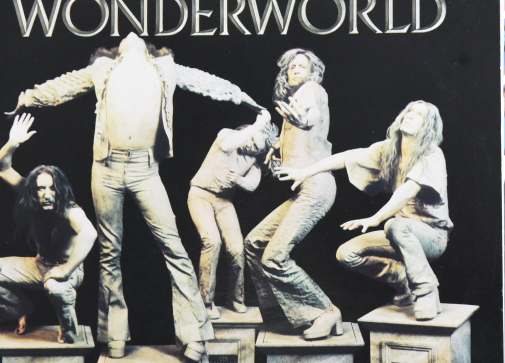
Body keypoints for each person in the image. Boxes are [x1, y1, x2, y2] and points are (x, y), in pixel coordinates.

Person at [6, 32, 262, 361]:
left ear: (151, 50)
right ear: (114, 52)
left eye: (138, 37)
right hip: (106, 167)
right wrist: (29, 97)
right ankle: (114, 337)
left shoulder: (165, 68)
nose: (130, 36)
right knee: (109, 251)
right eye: (122, 41)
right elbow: (64, 85)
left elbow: (206, 82)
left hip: (145, 169)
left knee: (173, 247)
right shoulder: (102, 68)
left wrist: (243, 98)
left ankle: (194, 335)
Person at [276, 101, 452, 320]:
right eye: (409, 111)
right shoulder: (389, 149)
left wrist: (375, 218)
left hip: (432, 236)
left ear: (428, 127)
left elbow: (408, 190)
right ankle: (403, 282)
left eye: (419, 115)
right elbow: (346, 157)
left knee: (395, 224)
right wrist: (305, 172)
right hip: (398, 233)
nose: (410, 116)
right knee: (346, 254)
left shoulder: (432, 154)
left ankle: (426, 291)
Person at [0, 114, 97, 343]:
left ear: (60, 190)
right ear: (33, 191)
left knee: (56, 287)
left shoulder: (70, 210)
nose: (47, 194)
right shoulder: (29, 195)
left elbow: (89, 233)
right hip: (39, 266)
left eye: (52, 188)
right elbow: (0, 168)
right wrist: (13, 143)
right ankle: (19, 310)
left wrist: (66, 270)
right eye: (40, 189)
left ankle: (68, 330)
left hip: (67, 272)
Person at [244, 48, 341, 340]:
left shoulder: (311, 92)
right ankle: (280, 314)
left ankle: (325, 312)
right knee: (254, 244)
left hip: (317, 186)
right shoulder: (292, 105)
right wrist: (277, 146)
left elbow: (309, 117)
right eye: (292, 67)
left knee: (274, 257)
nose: (297, 70)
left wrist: (303, 120)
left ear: (312, 73)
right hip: (304, 191)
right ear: (285, 73)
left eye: (303, 66)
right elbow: (302, 132)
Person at [188, 110, 277, 320]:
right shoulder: (227, 135)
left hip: (224, 202)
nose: (251, 147)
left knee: (237, 248)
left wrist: (239, 180)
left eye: (256, 148)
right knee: (212, 242)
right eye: (253, 140)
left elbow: (252, 185)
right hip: (200, 195)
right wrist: (257, 126)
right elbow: (228, 145)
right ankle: (206, 302)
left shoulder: (253, 160)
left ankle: (236, 299)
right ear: (248, 131)